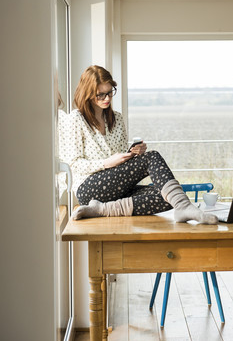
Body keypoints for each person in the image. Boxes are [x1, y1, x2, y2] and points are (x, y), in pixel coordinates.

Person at [67, 65, 218, 224]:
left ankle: (100, 209)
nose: (107, 98)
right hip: (88, 188)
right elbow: (75, 164)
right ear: (88, 94)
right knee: (152, 157)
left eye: (110, 92)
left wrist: (133, 154)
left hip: (115, 188)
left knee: (166, 196)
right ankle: (184, 207)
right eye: (101, 95)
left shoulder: (116, 119)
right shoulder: (76, 119)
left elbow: (121, 163)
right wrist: (106, 163)